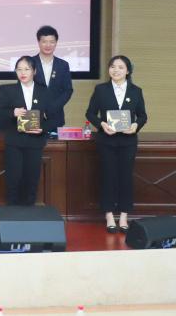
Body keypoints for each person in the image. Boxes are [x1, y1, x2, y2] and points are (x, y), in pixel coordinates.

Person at [85, 54, 147, 233]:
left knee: (126, 177)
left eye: (120, 67)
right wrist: (101, 125)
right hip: (106, 141)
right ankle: (109, 215)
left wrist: (135, 125)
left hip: (128, 141)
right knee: (108, 176)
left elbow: (142, 115)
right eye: (113, 66)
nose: (116, 70)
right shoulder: (101, 89)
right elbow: (90, 113)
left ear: (128, 71)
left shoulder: (136, 91)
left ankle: (124, 216)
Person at [0, 56, 49, 206]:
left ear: (34, 71)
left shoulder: (44, 91)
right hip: (14, 141)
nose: (22, 73)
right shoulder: (8, 90)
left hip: (35, 141)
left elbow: (54, 117)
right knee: (13, 178)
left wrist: (43, 129)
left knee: (32, 179)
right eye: (19, 69)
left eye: (26, 69)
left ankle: (29, 211)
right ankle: (12, 211)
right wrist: (13, 112)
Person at [31, 25, 74, 136]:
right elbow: (22, 89)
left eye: (52, 42)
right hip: (32, 115)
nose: (48, 45)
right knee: (30, 144)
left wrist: (53, 107)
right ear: (38, 42)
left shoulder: (63, 65)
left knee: (55, 146)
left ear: (56, 43)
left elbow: (68, 90)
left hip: (55, 116)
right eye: (44, 41)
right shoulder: (29, 63)